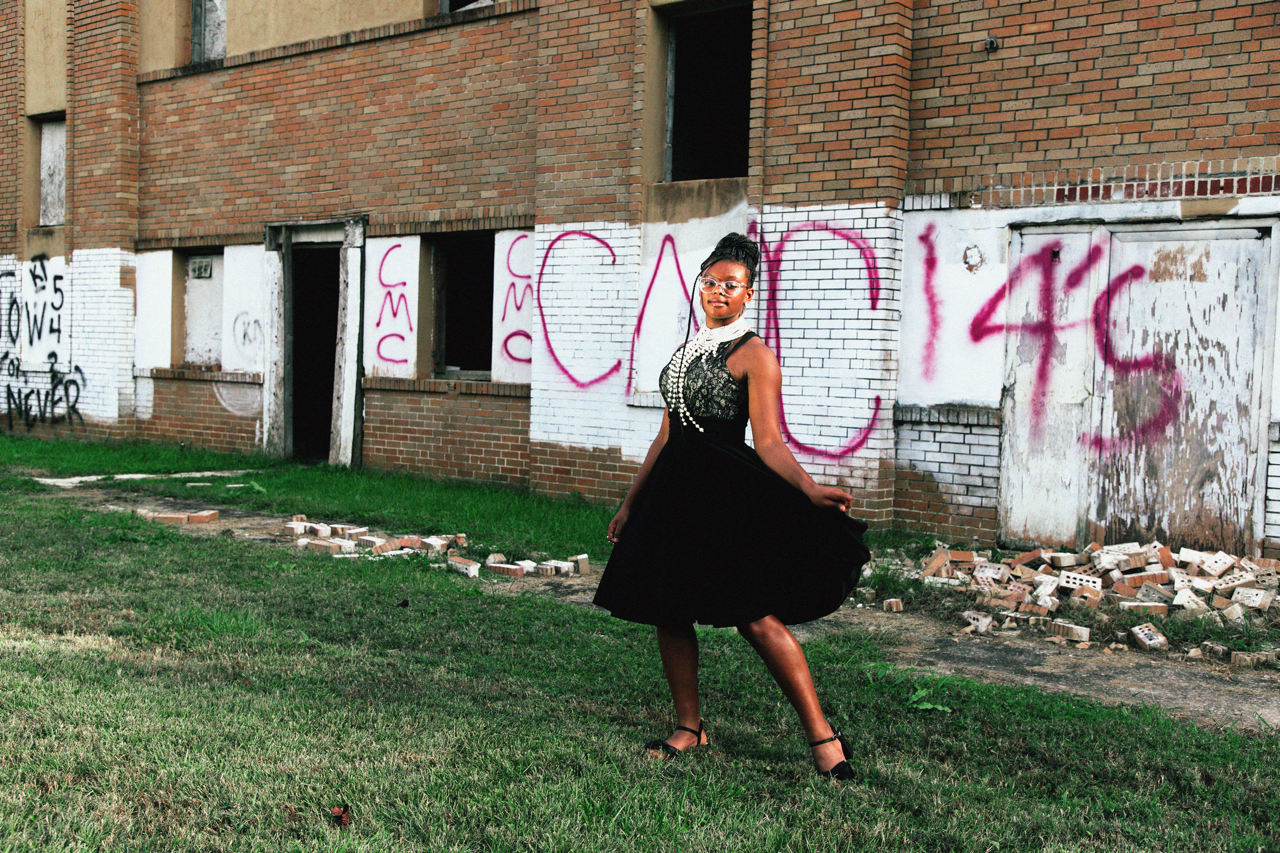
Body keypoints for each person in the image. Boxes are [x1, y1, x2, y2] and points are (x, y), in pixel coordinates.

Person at [593, 232, 870, 780]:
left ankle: (823, 738)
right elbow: (666, 432)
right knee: (668, 609)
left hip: (723, 498)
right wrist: (632, 502)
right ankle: (689, 727)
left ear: (749, 295)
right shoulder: (685, 349)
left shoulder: (755, 354)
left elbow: (768, 441)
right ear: (701, 286)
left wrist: (810, 489)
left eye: (732, 285)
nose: (719, 291)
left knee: (754, 616)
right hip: (673, 495)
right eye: (712, 281)